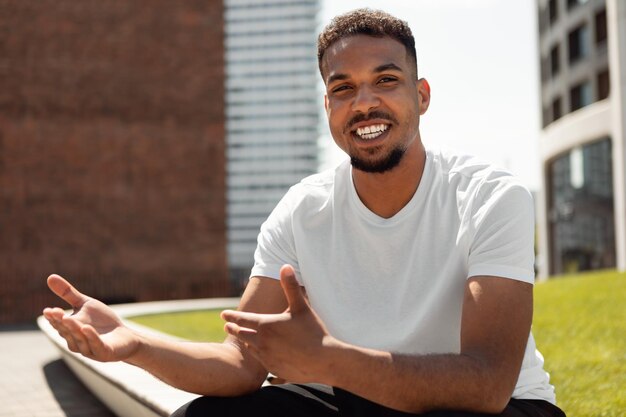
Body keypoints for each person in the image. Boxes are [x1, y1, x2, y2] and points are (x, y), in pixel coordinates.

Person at [43, 8, 566, 417]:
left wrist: (330, 359)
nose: (364, 103)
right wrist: (136, 342)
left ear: (421, 95)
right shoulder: (301, 209)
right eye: (343, 88)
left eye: (386, 80)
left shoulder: (491, 196)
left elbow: (487, 382)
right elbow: (240, 364)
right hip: (356, 398)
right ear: (328, 109)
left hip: (497, 412)